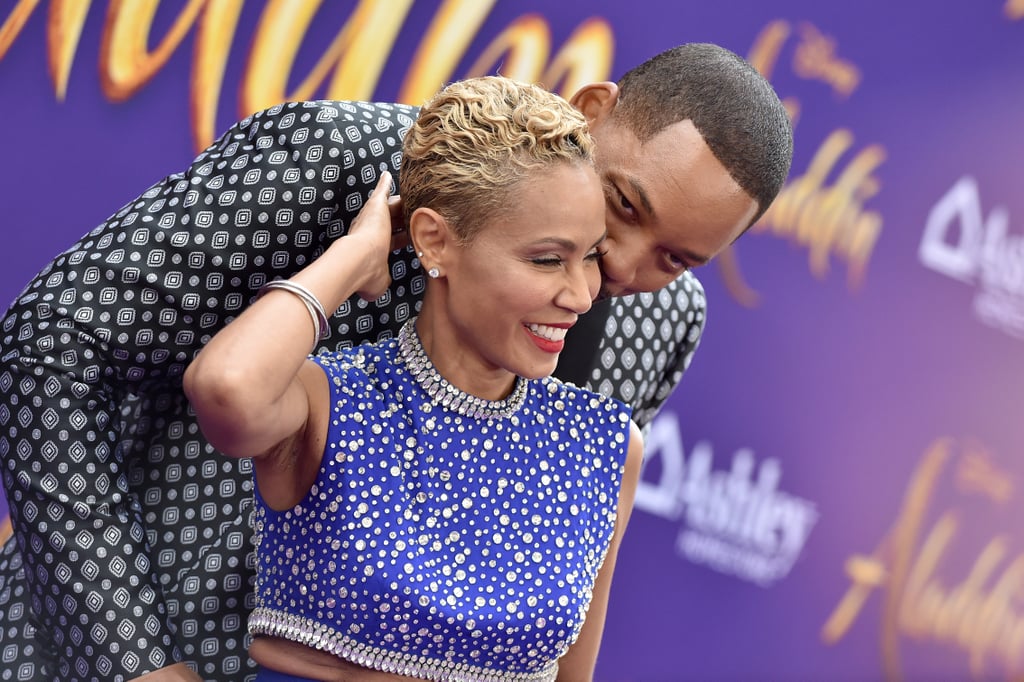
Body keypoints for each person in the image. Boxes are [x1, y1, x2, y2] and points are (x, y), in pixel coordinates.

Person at [0, 43, 792, 680]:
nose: (617, 268)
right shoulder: (341, 160)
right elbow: (52, 344)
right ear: (592, 110)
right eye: (625, 205)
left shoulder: (662, 322)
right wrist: (135, 659)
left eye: (676, 259)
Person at [182, 74, 642, 682]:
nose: (581, 295)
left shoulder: (604, 443)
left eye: (589, 255)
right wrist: (357, 255)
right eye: (546, 258)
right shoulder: (329, 400)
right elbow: (227, 388)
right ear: (435, 241)